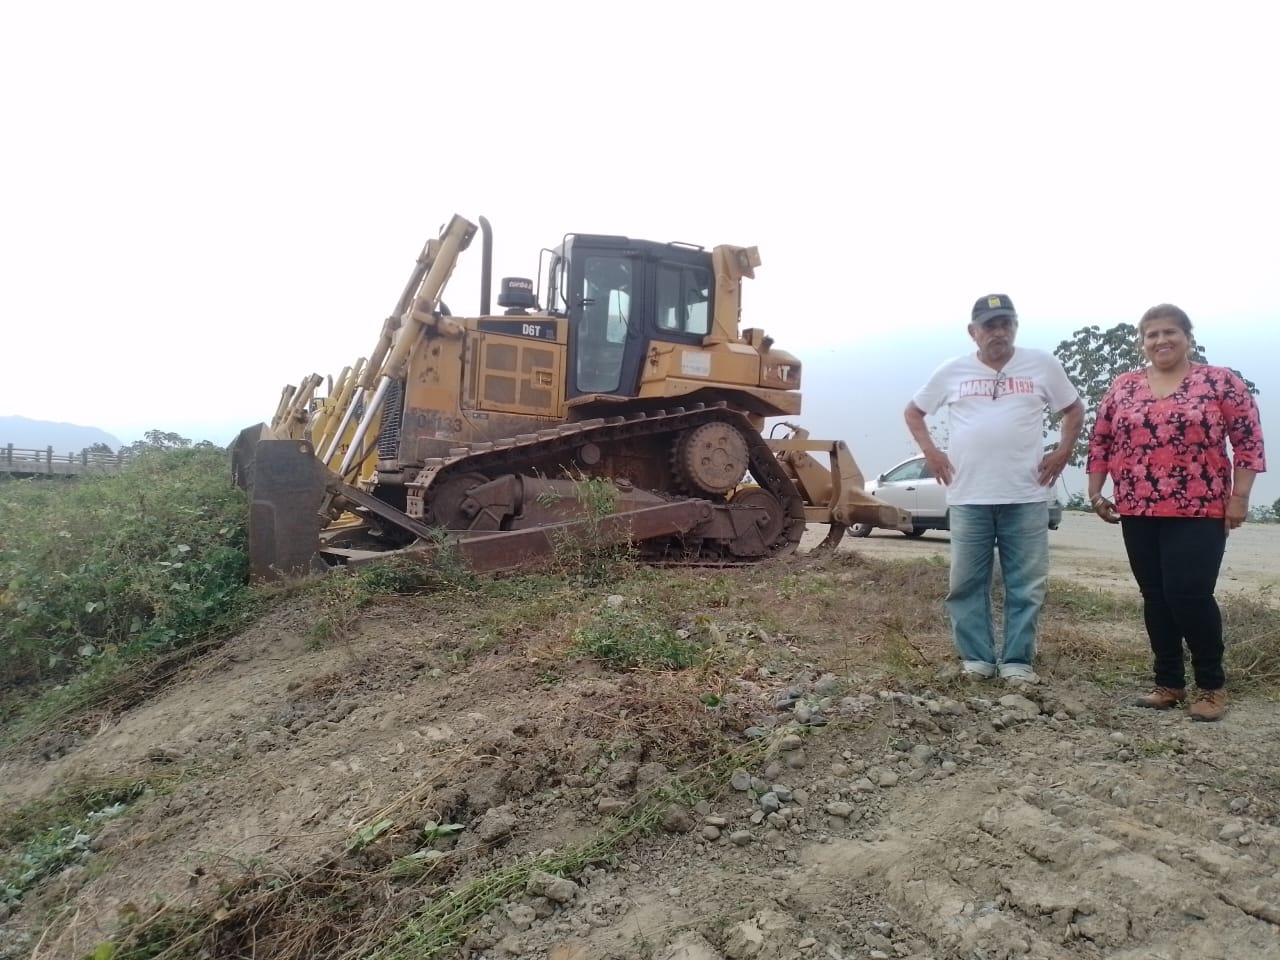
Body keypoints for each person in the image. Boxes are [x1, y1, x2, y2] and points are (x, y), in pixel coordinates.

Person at [1086, 304, 1266, 722]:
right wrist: (1095, 492)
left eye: (1170, 332)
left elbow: (1248, 442)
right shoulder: (1124, 386)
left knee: (1189, 594)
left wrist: (1239, 497)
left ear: (1188, 337)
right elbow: (1101, 440)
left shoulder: (1220, 381)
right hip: (1137, 507)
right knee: (1155, 596)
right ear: (1143, 343)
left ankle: (1211, 685)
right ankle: (1168, 683)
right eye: (1152, 334)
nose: (1161, 340)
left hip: (1200, 508)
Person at [905, 294, 1084, 684]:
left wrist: (1063, 451)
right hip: (969, 496)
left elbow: (1074, 408)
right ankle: (977, 660)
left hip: (1026, 495)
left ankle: (1017, 661)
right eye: (990, 325)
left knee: (1026, 585)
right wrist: (931, 451)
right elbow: (914, 411)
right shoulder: (952, 371)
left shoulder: (1042, 365)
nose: (999, 332)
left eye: (1006, 323)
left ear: (1015, 327)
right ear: (973, 332)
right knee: (966, 583)